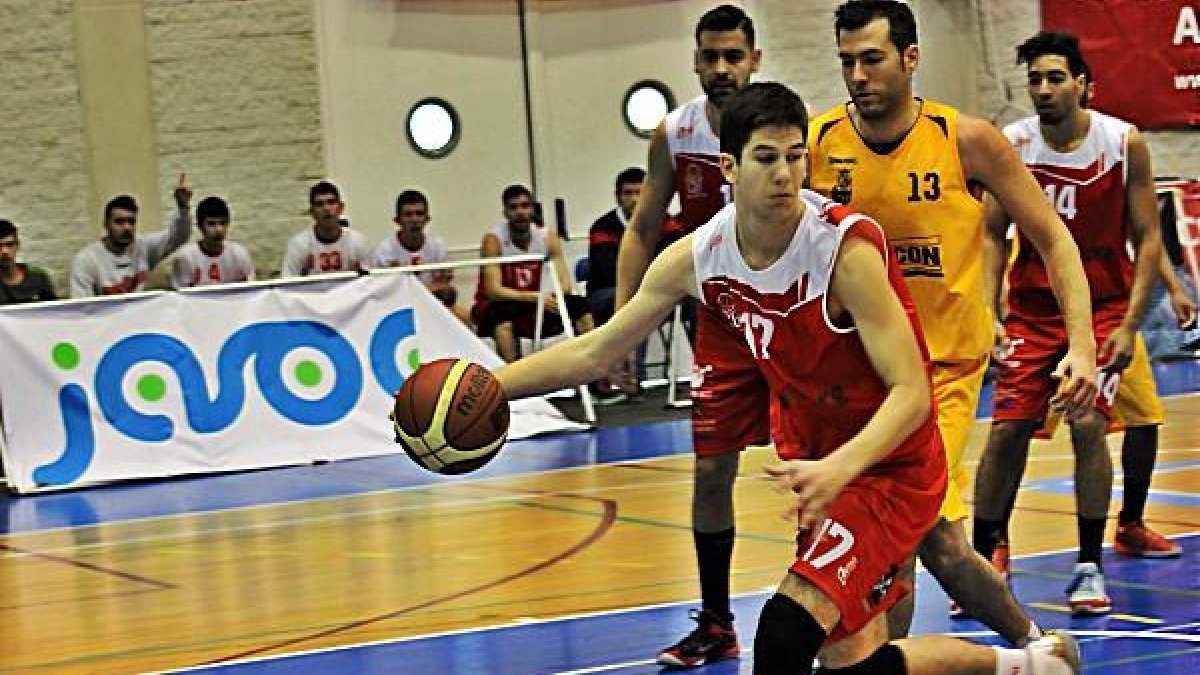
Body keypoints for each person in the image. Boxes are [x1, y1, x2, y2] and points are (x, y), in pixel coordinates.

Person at [491, 82, 1081, 675]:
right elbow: (598, 351)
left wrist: (840, 468)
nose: (785, 173)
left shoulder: (842, 252)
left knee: (782, 633)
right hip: (819, 460)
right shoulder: (700, 255)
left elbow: (911, 395)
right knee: (852, 659)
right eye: (766, 158)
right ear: (729, 167)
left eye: (796, 156)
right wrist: (493, 386)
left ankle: (1030, 659)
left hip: (890, 463)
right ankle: (1033, 662)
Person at [806, 0, 1098, 644]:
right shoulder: (818, 144)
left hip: (940, 377)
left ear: (910, 58)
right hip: (854, 383)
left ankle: (1029, 649)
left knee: (917, 537)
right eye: (848, 61)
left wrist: (1082, 344)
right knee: (907, 546)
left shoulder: (965, 139)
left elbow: (1053, 238)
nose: (858, 75)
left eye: (873, 59)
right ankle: (1033, 650)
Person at [971, 30, 1165, 615]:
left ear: (1082, 82)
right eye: (1035, 79)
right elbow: (989, 233)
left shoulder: (1121, 142)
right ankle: (987, 553)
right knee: (1005, 431)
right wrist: (990, 311)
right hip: (1033, 309)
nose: (1044, 89)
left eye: (1056, 77)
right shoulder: (1013, 145)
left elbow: (1149, 237)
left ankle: (1088, 563)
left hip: (1102, 309)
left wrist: (1130, 325)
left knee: (1089, 425)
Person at [610, 6, 761, 662]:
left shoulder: (782, 124)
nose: (722, 68)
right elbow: (642, 228)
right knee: (710, 469)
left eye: (733, 55)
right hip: (722, 325)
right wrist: (622, 332)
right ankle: (718, 619)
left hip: (794, 317)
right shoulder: (674, 133)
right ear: (694, 62)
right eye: (710, 56)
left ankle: (837, 602)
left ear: (755, 58)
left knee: (818, 464)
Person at [471, 184, 596, 364]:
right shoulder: (493, 240)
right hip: (499, 304)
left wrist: (551, 298)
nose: (520, 212)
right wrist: (537, 298)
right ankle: (515, 381)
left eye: (524, 206)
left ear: (532, 209)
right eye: (513, 207)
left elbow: (565, 284)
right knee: (501, 318)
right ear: (505, 212)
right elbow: (493, 290)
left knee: (580, 306)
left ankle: (592, 375)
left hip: (534, 302)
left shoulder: (546, 237)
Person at [70, 174, 193, 297]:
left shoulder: (143, 247)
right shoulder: (86, 261)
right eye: (119, 222)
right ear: (106, 225)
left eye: (131, 221)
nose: (127, 227)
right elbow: (81, 307)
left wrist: (183, 208)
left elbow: (178, 237)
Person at [373, 190, 471, 326]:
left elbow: (445, 286)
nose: (414, 220)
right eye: (408, 215)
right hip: (398, 308)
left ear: (427, 219)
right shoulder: (385, 250)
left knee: (465, 318)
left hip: (433, 304)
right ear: (397, 220)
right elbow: (390, 291)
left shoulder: (438, 246)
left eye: (419, 214)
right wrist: (429, 290)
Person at [587, 167, 644, 326]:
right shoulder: (602, 227)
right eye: (628, 193)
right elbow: (609, 271)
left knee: (699, 299)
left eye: (639, 193)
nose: (634, 199)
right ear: (618, 197)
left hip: (654, 290)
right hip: (607, 291)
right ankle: (627, 352)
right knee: (634, 301)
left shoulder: (665, 222)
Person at [281, 180, 371, 277]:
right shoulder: (299, 245)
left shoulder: (357, 242)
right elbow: (287, 283)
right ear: (312, 212)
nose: (326, 208)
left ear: (341, 208)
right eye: (320, 204)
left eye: (331, 202)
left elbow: (370, 282)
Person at [171, 196, 255, 288]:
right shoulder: (186, 258)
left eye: (223, 223)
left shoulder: (239, 254)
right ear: (200, 226)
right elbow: (181, 297)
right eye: (211, 224)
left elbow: (249, 291)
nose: (219, 230)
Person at [0, 220, 57, 304]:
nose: (5, 251)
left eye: (10, 244)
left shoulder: (37, 276)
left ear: (18, 246)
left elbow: (53, 311)